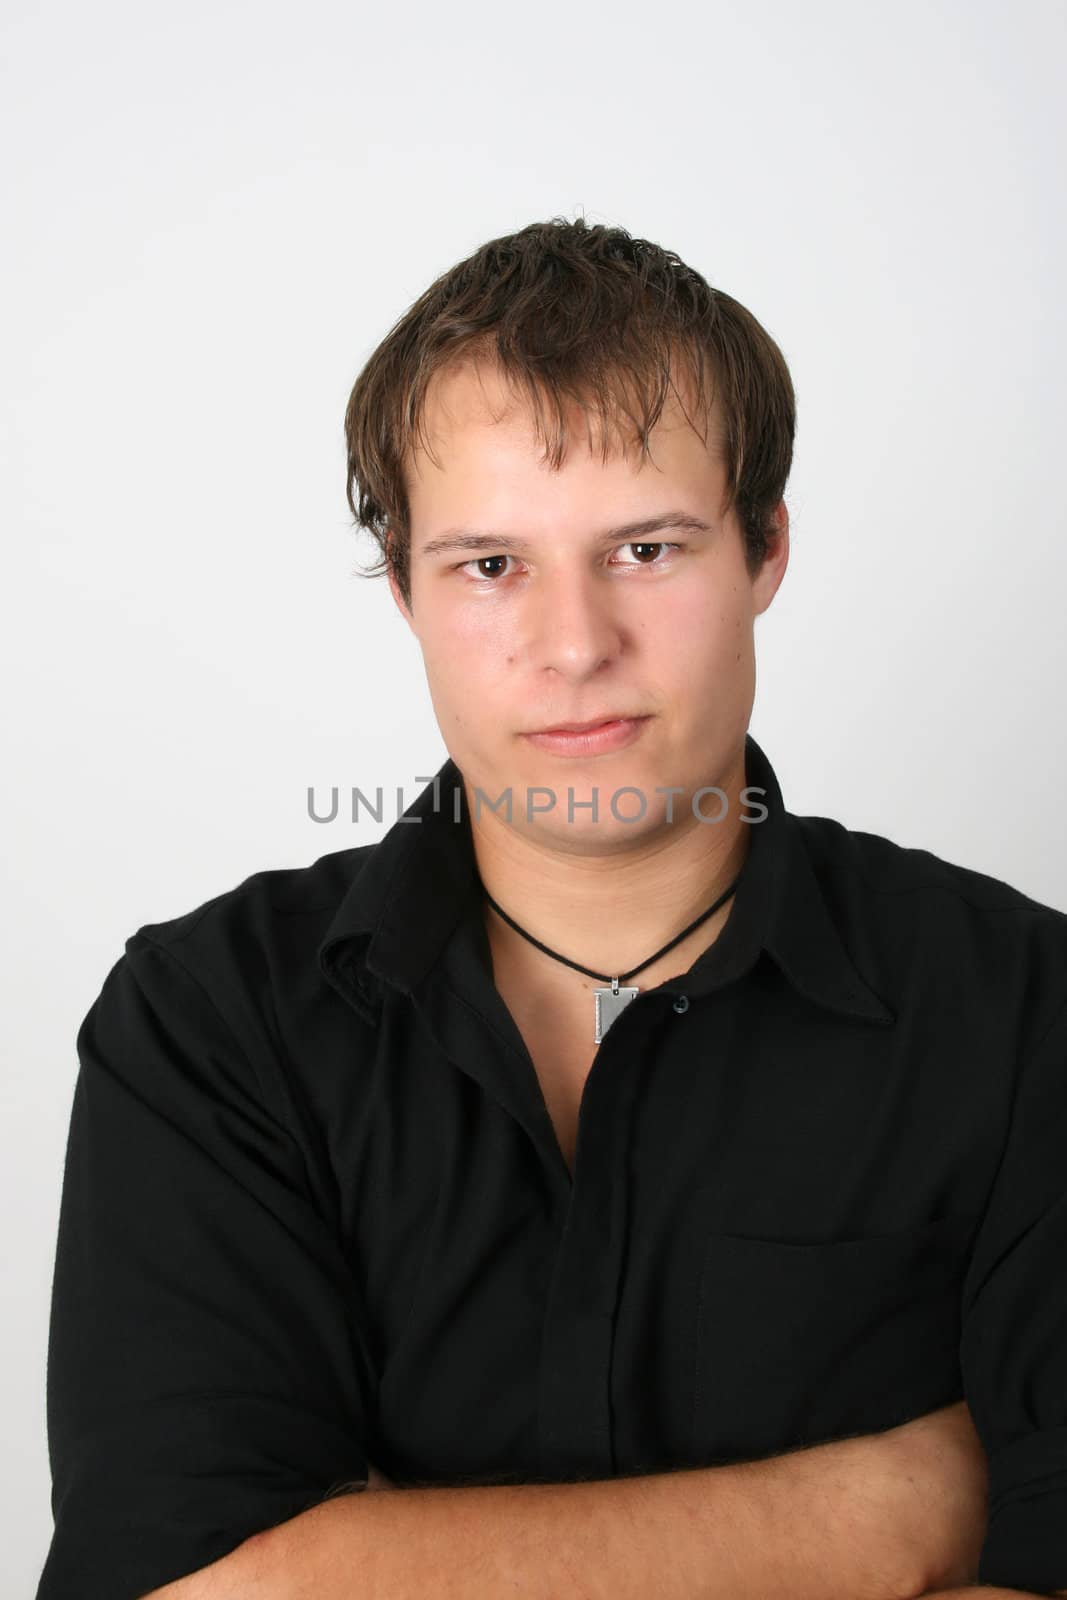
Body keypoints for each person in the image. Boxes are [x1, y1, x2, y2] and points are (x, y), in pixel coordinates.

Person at [35, 218, 1067, 1600]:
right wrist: (886, 1513)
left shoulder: (1018, 1006)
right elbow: (180, 1585)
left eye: (646, 548)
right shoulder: (209, 1023)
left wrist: (373, 1557)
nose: (576, 646)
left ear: (765, 551)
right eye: (490, 565)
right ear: (403, 586)